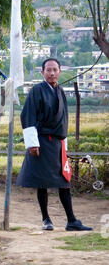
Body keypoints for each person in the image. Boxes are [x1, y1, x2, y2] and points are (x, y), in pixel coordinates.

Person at [16, 58, 93, 232]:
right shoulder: (37, 91)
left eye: (55, 70)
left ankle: (71, 221)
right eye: (48, 70)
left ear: (59, 72)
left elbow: (63, 120)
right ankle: (46, 219)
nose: (52, 73)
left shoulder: (60, 91)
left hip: (57, 143)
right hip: (41, 142)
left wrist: (64, 143)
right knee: (42, 182)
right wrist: (32, 143)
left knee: (64, 181)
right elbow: (28, 116)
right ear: (42, 72)